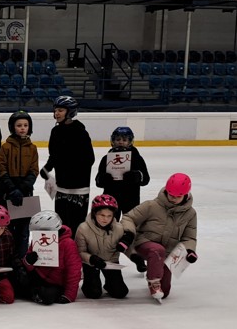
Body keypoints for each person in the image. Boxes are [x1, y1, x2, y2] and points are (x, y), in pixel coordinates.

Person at [119, 173, 198, 304]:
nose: (173, 199)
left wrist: (190, 251)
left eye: (178, 196)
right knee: (157, 250)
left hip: (167, 252)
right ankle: (153, 282)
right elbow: (129, 218)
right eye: (171, 195)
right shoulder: (151, 206)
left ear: (186, 195)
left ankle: (156, 275)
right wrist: (128, 233)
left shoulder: (190, 214)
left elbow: (189, 236)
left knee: (165, 292)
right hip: (144, 243)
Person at [41, 94, 95, 238]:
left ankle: (76, 251)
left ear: (70, 112)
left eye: (60, 110)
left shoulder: (80, 133)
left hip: (78, 188)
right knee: (62, 224)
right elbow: (54, 155)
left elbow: (89, 159)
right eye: (55, 110)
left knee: (76, 225)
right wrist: (47, 168)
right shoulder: (55, 131)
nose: (56, 113)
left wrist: (71, 169)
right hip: (61, 186)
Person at [0, 109, 39, 255]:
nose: (22, 128)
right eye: (19, 125)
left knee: (23, 230)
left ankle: (21, 257)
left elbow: (34, 170)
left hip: (25, 194)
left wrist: (22, 188)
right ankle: (7, 257)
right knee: (7, 228)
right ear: (12, 127)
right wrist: (12, 189)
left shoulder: (32, 148)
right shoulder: (5, 147)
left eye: (25, 125)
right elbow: (1, 168)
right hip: (8, 193)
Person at [20, 209, 81, 305]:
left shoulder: (68, 244)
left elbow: (74, 271)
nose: (38, 234)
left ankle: (33, 292)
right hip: (38, 276)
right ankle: (34, 292)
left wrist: (69, 295)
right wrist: (28, 261)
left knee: (47, 295)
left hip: (56, 283)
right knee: (18, 278)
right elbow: (27, 263)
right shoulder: (38, 239)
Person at [75, 194, 129, 301]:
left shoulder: (119, 228)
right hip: (91, 263)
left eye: (109, 216)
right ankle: (89, 282)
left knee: (120, 292)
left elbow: (129, 248)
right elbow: (79, 251)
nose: (105, 219)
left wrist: (131, 251)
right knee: (93, 293)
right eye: (102, 215)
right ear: (94, 213)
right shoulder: (83, 228)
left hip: (111, 262)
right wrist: (91, 259)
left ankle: (109, 284)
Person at [95, 126, 150, 219]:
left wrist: (137, 176)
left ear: (130, 142)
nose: (120, 142)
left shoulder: (137, 158)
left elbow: (146, 179)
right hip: (111, 198)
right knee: (110, 223)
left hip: (131, 198)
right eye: (118, 139)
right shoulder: (106, 158)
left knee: (130, 222)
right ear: (113, 141)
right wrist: (103, 179)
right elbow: (98, 181)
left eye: (124, 140)